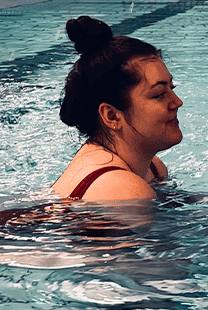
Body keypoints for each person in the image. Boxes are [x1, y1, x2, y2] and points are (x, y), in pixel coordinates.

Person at [50, 16, 183, 201]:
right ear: (111, 116)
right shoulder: (125, 190)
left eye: (172, 88)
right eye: (159, 94)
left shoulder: (152, 169)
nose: (177, 102)